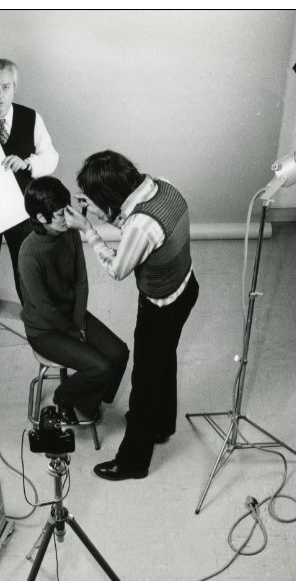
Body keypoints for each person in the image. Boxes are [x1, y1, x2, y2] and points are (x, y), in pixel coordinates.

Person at [65, 151, 199, 481]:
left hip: (160, 306)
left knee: (144, 380)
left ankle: (133, 461)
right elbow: (134, 223)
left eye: (96, 199)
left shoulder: (141, 225)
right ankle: (162, 425)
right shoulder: (162, 185)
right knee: (165, 361)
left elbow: (117, 268)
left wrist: (88, 228)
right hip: (186, 287)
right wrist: (104, 213)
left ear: (111, 197)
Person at [19, 176, 129, 424]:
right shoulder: (29, 254)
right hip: (44, 330)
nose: (68, 219)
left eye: (66, 210)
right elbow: (44, 308)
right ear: (40, 218)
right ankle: (64, 397)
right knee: (100, 368)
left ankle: (90, 399)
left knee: (119, 353)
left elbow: (81, 281)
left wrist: (78, 322)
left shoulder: (68, 233)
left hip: (72, 316)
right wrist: (72, 331)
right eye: (60, 214)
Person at [0, 59, 59, 338]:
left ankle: (32, 311)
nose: (0, 96)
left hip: (22, 206)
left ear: (15, 88)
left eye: (6, 87)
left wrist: (28, 163)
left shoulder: (31, 117)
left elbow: (51, 158)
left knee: (25, 260)